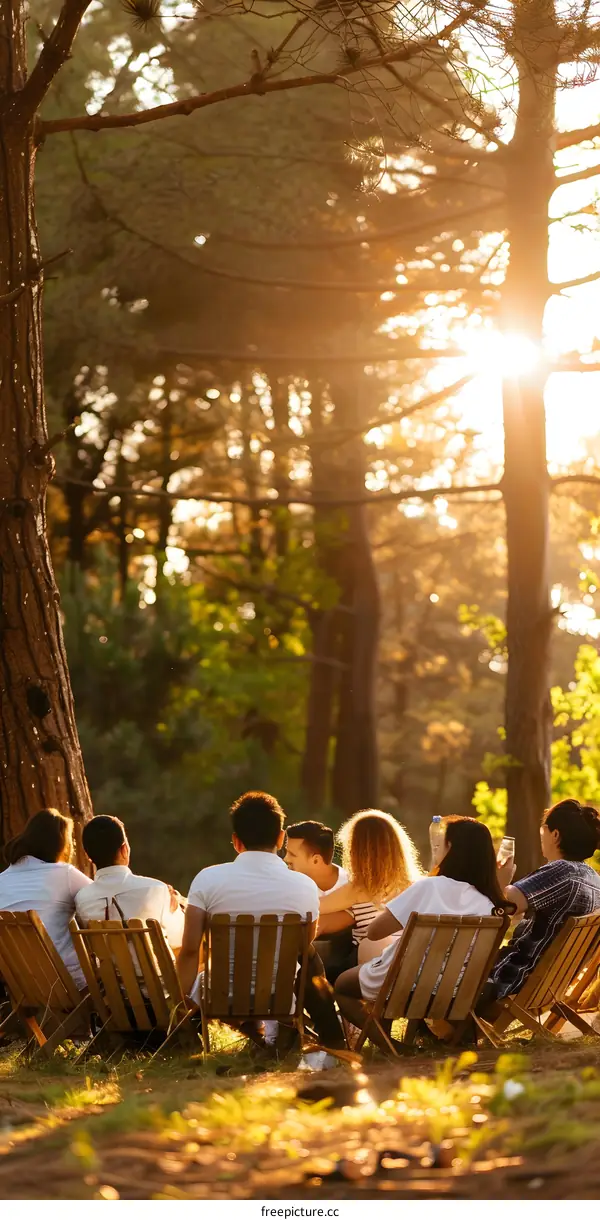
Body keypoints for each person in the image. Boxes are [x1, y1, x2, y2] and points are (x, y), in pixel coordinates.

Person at [178, 791, 346, 1053]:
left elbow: (189, 950)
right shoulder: (304, 886)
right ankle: (325, 1034)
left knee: (204, 975)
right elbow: (305, 945)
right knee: (309, 956)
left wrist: (178, 1010)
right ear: (280, 838)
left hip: (220, 995)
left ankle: (192, 1037)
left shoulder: (206, 880)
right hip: (279, 997)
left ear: (236, 841)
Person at [335, 815, 512, 1048]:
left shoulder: (428, 886)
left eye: (442, 843)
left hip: (405, 985)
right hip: (454, 992)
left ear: (451, 849)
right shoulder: (488, 903)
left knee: (342, 986)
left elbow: (375, 932)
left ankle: (392, 1047)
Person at [488, 798, 600, 1002]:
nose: (541, 837)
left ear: (555, 835)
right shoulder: (594, 879)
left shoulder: (564, 870)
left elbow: (511, 903)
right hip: (550, 986)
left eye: (544, 831)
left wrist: (501, 878)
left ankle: (444, 1028)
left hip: (512, 976)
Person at [319, 809, 422, 972]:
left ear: (358, 853)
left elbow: (314, 907)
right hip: (407, 967)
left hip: (372, 966)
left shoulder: (359, 889)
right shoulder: (416, 886)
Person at [0, 808, 91, 988]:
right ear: (58, 844)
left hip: (18, 984)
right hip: (66, 982)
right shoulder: (65, 874)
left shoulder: (2, 879)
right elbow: (100, 898)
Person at [75, 815, 185, 952]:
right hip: (157, 973)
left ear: (89, 857)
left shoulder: (82, 899)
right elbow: (179, 940)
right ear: (124, 849)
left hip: (109, 973)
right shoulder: (156, 889)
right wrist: (177, 910)